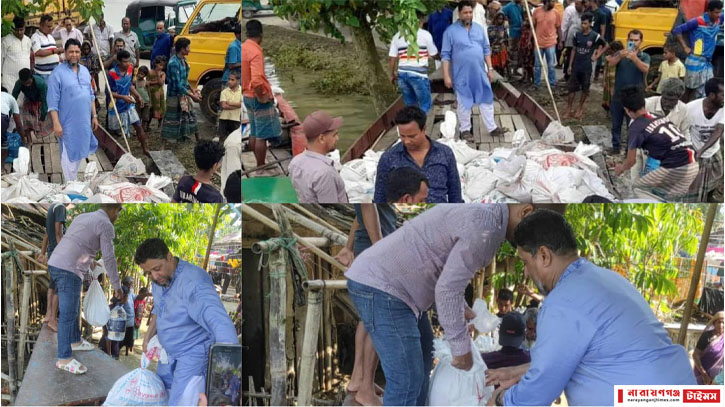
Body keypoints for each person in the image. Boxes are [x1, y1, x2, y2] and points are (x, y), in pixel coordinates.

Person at [345, 204, 564, 406]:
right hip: (384, 287)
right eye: (536, 236)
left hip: (401, 291)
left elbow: (444, 272)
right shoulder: (486, 228)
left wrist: (461, 309)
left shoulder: (488, 217)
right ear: (525, 212)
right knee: (407, 379)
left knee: (421, 363)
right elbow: (446, 290)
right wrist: (461, 349)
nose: (532, 247)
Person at [486, 210, 696, 406]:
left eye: (525, 262)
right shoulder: (606, 278)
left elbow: (537, 394)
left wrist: (501, 399)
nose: (525, 273)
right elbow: (583, 359)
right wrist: (520, 371)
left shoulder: (562, 302)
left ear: (543, 255)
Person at [136, 238, 238, 406]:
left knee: (182, 403)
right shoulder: (159, 280)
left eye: (157, 269)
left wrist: (225, 390)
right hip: (167, 356)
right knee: (162, 398)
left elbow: (222, 326)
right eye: (149, 273)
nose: (154, 276)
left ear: (169, 257)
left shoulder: (194, 283)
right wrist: (147, 337)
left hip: (193, 356)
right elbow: (159, 309)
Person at [335, 204, 401, 406]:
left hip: (370, 248)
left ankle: (359, 380)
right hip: (374, 250)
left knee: (367, 318)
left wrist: (348, 246)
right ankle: (365, 389)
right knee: (378, 318)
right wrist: (380, 248)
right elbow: (366, 204)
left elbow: (360, 214)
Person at [47, 204, 124, 374]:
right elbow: (109, 258)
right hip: (69, 268)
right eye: (119, 211)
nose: (118, 215)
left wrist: (90, 261)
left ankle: (75, 340)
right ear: (114, 209)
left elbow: (78, 244)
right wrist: (117, 286)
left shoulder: (83, 217)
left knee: (73, 308)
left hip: (56, 263)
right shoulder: (105, 224)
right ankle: (64, 358)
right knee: (68, 314)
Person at [613, 86, 698, 200]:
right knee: (670, 198)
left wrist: (621, 168)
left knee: (639, 188)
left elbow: (631, 161)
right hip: (693, 165)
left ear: (627, 110)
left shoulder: (636, 127)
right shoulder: (658, 117)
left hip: (677, 167)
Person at [442, 1, 504, 141]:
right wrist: (446, 76)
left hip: (480, 72)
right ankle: (465, 130)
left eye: (470, 12)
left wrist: (490, 68)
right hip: (460, 74)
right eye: (465, 13)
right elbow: (445, 55)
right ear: (459, 14)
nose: (468, 15)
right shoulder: (450, 31)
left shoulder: (479, 29)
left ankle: (492, 127)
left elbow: (486, 49)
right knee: (464, 101)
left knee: (486, 99)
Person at [373, 106, 462, 203]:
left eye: (412, 136)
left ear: (423, 129)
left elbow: (455, 192)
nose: (406, 141)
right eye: (402, 136)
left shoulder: (444, 153)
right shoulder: (389, 158)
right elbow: (380, 196)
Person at [47, 39, 100, 182]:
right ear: (65, 53)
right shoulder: (57, 74)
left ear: (80, 53)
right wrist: (56, 123)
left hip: (83, 122)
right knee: (68, 154)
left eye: (77, 52)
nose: (74, 55)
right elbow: (52, 103)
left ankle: (73, 181)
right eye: (71, 52)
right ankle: (70, 184)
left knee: (80, 151)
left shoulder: (85, 71)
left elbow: (91, 95)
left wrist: (94, 116)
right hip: (67, 124)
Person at [630, 78, 691, 182]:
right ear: (661, 94)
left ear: (679, 98)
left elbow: (685, 131)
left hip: (668, 155)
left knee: (661, 186)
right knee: (637, 182)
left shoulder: (683, 109)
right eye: (666, 98)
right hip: (642, 151)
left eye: (673, 100)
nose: (668, 103)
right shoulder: (647, 105)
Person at [242, 20, 280, 170]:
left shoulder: (243, 48)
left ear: (247, 33)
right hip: (256, 97)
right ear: (261, 34)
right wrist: (262, 96)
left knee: (254, 130)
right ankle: (261, 165)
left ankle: (254, 160)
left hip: (246, 96)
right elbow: (257, 80)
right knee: (262, 135)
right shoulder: (256, 51)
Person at [606, 29, 650, 154]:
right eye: (631, 40)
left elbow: (645, 69)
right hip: (619, 95)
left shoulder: (644, 56)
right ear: (627, 40)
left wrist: (635, 58)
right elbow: (611, 64)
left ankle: (629, 150)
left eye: (636, 40)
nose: (633, 43)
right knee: (616, 124)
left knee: (632, 125)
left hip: (634, 97)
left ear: (641, 42)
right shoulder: (621, 54)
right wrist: (620, 55)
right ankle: (615, 147)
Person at [288, 111, 348, 203]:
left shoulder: (295, 162)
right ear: (322, 138)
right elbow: (331, 208)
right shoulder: (325, 173)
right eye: (334, 135)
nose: (337, 138)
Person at [672, 0, 724, 101]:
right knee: (689, 89)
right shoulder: (697, 21)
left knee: (707, 90)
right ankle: (680, 110)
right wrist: (685, 47)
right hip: (695, 60)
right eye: (716, 12)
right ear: (709, 11)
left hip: (707, 62)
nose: (719, 14)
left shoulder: (719, 19)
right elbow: (677, 30)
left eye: (720, 12)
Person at [389, 12, 438, 113]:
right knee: (424, 106)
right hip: (418, 75)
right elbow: (434, 54)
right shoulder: (425, 34)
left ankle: (413, 127)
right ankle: (422, 127)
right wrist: (441, 58)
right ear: (420, 21)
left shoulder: (397, 36)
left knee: (410, 107)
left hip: (402, 75)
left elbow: (392, 59)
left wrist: (392, 75)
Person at [686, 77, 724, 202]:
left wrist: (702, 150)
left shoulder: (723, 108)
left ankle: (709, 197)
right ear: (712, 95)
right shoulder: (691, 108)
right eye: (722, 95)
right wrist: (690, 147)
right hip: (695, 151)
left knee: (717, 177)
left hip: (712, 151)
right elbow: (683, 129)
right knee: (693, 187)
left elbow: (719, 130)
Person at [564, 12, 607, 120]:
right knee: (571, 88)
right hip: (576, 66)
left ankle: (580, 108)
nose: (582, 26)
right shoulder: (577, 34)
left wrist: (597, 56)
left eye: (585, 23)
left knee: (585, 88)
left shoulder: (595, 36)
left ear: (590, 24)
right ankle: (569, 109)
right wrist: (570, 65)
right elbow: (574, 49)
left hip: (587, 67)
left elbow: (606, 45)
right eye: (581, 23)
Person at [107, 50, 149, 155]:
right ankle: (116, 153)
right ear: (119, 62)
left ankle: (145, 149)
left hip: (129, 104)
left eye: (128, 61)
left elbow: (130, 85)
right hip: (116, 107)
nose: (128, 63)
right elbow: (111, 93)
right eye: (125, 61)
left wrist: (138, 96)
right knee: (118, 133)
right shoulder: (112, 73)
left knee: (138, 126)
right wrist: (123, 97)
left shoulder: (130, 69)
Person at [162, 37, 201, 143]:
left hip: (184, 93)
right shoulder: (173, 63)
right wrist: (192, 95)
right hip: (175, 95)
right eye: (188, 47)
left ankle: (186, 137)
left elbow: (184, 80)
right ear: (183, 49)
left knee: (188, 115)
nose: (190, 50)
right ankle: (166, 139)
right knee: (171, 117)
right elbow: (177, 84)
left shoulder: (183, 60)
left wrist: (192, 90)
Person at [37, 202, 67, 333]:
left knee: (52, 284)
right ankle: (53, 320)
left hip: (52, 252)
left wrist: (42, 253)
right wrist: (65, 252)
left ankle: (49, 315)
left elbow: (46, 234)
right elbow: (57, 232)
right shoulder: (61, 207)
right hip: (58, 253)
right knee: (59, 287)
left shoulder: (52, 207)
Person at [532, 0, 561, 90]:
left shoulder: (556, 13)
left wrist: (560, 41)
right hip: (538, 43)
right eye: (552, 1)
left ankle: (552, 84)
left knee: (551, 66)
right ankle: (537, 84)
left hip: (551, 43)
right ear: (546, 2)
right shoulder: (536, 11)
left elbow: (559, 28)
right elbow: (533, 27)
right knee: (537, 66)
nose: (554, 4)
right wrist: (530, 40)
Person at [692, 311, 724, 385]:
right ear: (714, 323)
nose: (721, 325)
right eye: (719, 322)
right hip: (701, 375)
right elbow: (695, 355)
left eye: (723, 323)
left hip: (717, 377)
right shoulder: (706, 336)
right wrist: (704, 374)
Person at [2, 17, 32, 92]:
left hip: (24, 80)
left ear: (25, 28)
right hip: (9, 80)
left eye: (21, 30)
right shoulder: (6, 41)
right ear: (13, 28)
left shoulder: (28, 40)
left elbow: (28, 57)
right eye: (16, 30)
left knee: (23, 101)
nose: (19, 32)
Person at [99, 286, 129, 360]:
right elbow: (107, 334)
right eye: (117, 293)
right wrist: (109, 354)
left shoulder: (120, 310)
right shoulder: (112, 310)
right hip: (107, 348)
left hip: (113, 348)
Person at [560, 0, 585, 81]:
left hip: (581, 41)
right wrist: (562, 39)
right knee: (569, 57)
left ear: (583, 4)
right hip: (571, 39)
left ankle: (576, 78)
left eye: (578, 4)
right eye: (575, 4)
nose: (576, 6)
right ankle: (567, 76)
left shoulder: (586, 12)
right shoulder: (570, 9)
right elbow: (564, 25)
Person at [1, 88, 25, 166]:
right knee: (3, 145)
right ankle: (1, 169)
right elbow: (18, 124)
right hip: (1, 117)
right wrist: (23, 139)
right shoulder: (10, 98)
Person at [502, 0, 524, 75]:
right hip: (513, 31)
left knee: (518, 53)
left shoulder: (520, 6)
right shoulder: (509, 6)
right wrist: (508, 20)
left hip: (521, 32)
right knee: (512, 52)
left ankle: (515, 70)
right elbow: (501, 14)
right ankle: (510, 71)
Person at [592, 0, 613, 79]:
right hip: (603, 36)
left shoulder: (595, 12)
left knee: (594, 54)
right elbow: (610, 24)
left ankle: (594, 73)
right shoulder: (608, 11)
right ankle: (596, 74)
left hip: (595, 35)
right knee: (600, 55)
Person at [219, 72, 242, 143]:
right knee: (222, 140)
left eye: (232, 80)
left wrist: (229, 103)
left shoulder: (242, 91)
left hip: (236, 119)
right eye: (229, 79)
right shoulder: (224, 92)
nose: (229, 81)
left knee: (235, 141)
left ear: (238, 81)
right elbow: (223, 106)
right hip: (224, 119)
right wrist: (238, 105)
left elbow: (242, 104)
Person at [601, 40, 623, 111]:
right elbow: (605, 70)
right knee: (608, 96)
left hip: (616, 80)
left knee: (614, 95)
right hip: (609, 80)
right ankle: (609, 110)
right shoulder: (608, 58)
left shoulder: (621, 58)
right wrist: (604, 80)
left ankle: (615, 110)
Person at [489, 13, 510, 78]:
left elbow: (506, 38)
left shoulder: (504, 28)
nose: (500, 20)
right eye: (499, 18)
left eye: (502, 19)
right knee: (495, 64)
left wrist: (505, 45)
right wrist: (497, 34)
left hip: (502, 48)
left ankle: (503, 76)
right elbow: (490, 37)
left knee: (503, 64)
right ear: (496, 19)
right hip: (495, 48)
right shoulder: (491, 27)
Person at [148, 56, 167, 130]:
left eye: (163, 65)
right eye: (160, 65)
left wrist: (158, 76)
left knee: (161, 108)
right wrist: (154, 82)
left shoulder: (162, 73)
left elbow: (161, 82)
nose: (161, 67)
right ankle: (148, 125)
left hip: (160, 94)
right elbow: (147, 83)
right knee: (151, 109)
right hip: (152, 94)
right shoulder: (150, 72)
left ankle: (159, 124)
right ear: (156, 64)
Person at [519, 12, 535, 84]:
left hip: (529, 45)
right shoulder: (523, 22)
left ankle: (531, 79)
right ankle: (525, 77)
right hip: (523, 44)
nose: (526, 17)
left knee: (529, 63)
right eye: (525, 16)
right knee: (524, 62)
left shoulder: (532, 22)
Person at [121, 276, 136, 356]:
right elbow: (121, 304)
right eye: (131, 283)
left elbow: (136, 297)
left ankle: (126, 352)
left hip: (130, 321)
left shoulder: (130, 292)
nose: (131, 285)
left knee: (129, 339)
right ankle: (116, 353)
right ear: (127, 283)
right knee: (121, 339)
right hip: (124, 321)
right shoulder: (122, 291)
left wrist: (146, 294)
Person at [135, 66, 151, 131]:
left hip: (146, 102)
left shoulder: (146, 83)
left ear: (145, 75)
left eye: (142, 74)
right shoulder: (135, 82)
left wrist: (150, 102)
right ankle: (138, 129)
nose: (139, 75)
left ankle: (143, 128)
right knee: (137, 116)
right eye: (139, 73)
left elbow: (149, 93)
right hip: (137, 102)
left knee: (145, 117)